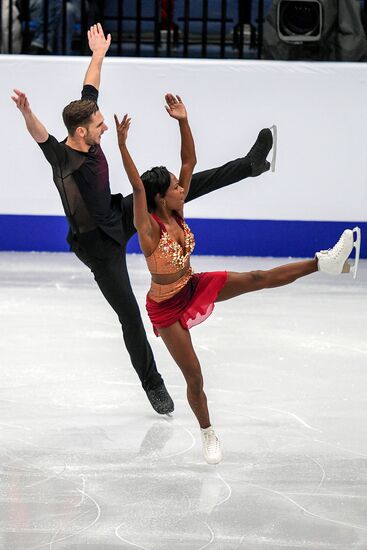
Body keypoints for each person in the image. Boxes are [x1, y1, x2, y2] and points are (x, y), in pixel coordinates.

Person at [12, 23, 276, 417]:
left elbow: (90, 86)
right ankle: (153, 384)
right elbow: (40, 135)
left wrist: (98, 55)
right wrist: (28, 112)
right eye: (99, 126)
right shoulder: (64, 159)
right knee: (130, 316)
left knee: (180, 188)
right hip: (97, 247)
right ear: (81, 133)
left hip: (118, 213)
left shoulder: (88, 123)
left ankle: (249, 165)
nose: (105, 126)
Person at [114, 94, 360, 464]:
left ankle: (324, 262)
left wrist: (183, 120)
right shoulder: (149, 228)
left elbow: (189, 160)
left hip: (193, 285)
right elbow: (137, 188)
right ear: (162, 198)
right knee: (195, 378)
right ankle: (207, 432)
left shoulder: (176, 207)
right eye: (177, 187)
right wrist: (121, 145)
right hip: (165, 309)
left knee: (257, 277)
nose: (185, 188)